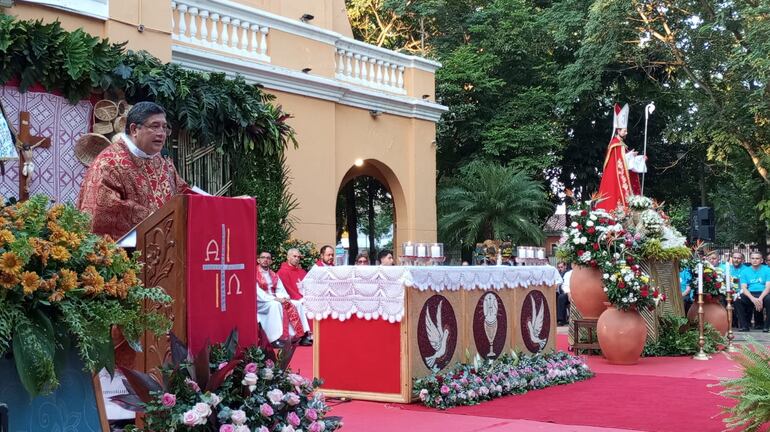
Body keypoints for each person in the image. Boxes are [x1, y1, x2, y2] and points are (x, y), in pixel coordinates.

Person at [78, 102, 189, 240]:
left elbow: (181, 191)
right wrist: (160, 218)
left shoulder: (162, 160)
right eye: (155, 126)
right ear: (134, 129)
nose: (161, 133)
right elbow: (102, 212)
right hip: (125, 255)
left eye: (164, 127)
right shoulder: (108, 163)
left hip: (167, 249)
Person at [595, 103, 647, 212]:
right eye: (624, 130)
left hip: (621, 174)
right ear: (618, 131)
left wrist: (639, 158)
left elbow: (626, 161)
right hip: (615, 178)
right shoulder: (615, 144)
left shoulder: (621, 144)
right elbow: (620, 161)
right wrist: (630, 156)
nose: (626, 132)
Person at [256, 252, 312, 347]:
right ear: (258, 260)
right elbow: (257, 292)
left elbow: (281, 289)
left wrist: (283, 298)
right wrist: (275, 299)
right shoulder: (254, 274)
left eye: (268, 258)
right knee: (275, 305)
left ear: (271, 261)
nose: (265, 260)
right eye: (263, 258)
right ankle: (275, 339)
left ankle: (302, 335)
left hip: (274, 298)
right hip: (261, 302)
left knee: (296, 304)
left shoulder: (273, 275)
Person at [736, 252, 770, 332]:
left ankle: (766, 326)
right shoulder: (745, 271)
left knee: (769, 299)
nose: (755, 260)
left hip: (763, 293)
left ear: (761, 260)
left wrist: (760, 299)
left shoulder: (768, 270)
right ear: (750, 259)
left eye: (757, 258)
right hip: (750, 294)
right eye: (753, 258)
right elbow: (744, 288)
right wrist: (752, 299)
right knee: (738, 300)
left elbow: (768, 287)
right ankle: (744, 326)